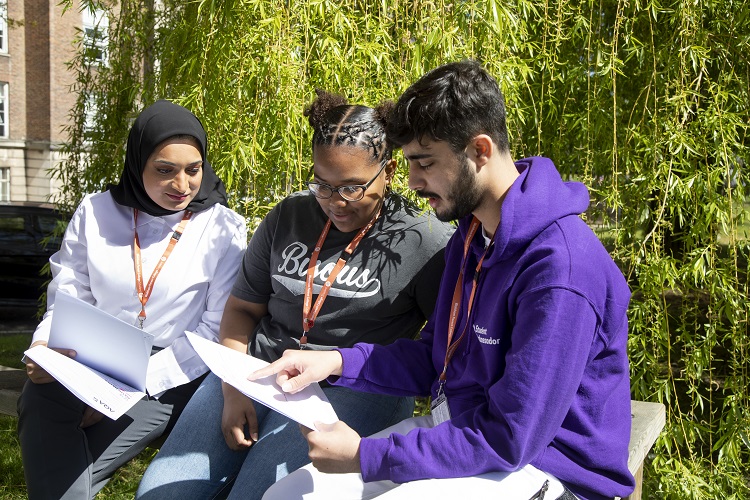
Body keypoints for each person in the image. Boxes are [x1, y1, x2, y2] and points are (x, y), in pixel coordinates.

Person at [255, 60, 636, 500]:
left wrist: (364, 455)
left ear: (479, 151)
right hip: (464, 430)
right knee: (283, 496)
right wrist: (337, 362)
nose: (413, 182)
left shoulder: (560, 271)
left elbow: (509, 438)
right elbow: (436, 359)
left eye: (425, 163)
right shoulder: (471, 235)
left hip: (546, 468)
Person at [136, 90, 454, 499]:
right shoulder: (289, 214)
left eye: (352, 188)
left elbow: (441, 353)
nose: (335, 203)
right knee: (159, 495)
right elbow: (241, 310)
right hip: (255, 371)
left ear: (389, 171)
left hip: (352, 388)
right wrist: (232, 388)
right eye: (322, 184)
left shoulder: (426, 242)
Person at [17, 99, 248, 499]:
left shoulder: (224, 228)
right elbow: (69, 294)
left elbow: (215, 330)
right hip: (93, 355)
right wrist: (44, 346)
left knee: (71, 463)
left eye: (194, 170)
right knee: (40, 398)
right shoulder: (96, 211)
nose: (182, 186)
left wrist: (132, 386)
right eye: (164, 170)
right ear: (137, 162)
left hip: (173, 371)